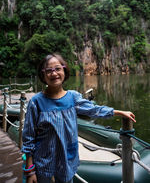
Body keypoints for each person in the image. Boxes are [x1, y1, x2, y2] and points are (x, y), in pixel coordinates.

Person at [22, 53, 136, 183]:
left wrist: (119, 112)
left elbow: (94, 110)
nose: (54, 73)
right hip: (43, 164)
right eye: (49, 70)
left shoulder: (73, 97)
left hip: (67, 161)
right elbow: (28, 137)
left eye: (58, 69)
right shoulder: (36, 102)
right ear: (43, 75)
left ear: (64, 71)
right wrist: (30, 171)